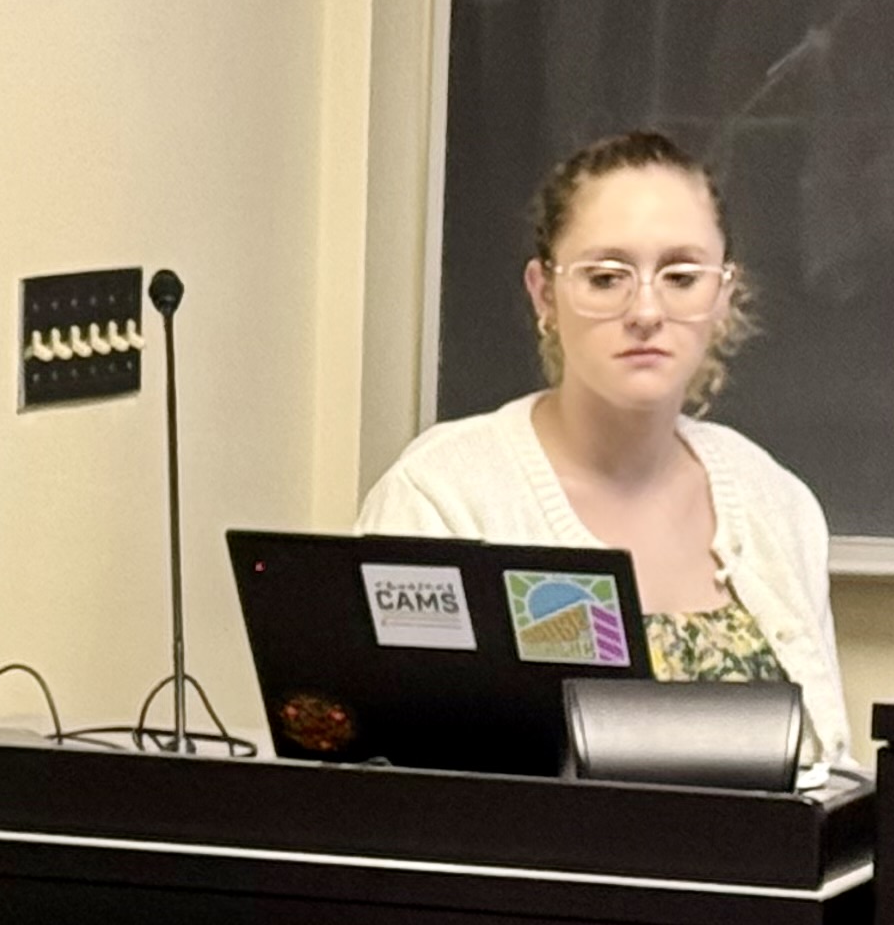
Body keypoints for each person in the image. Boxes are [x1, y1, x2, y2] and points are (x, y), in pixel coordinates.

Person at [360, 128, 852, 775]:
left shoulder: (776, 502)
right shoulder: (444, 497)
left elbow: (825, 775)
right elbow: (393, 776)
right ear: (544, 295)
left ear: (723, 296)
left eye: (681, 276)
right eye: (605, 276)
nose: (646, 310)